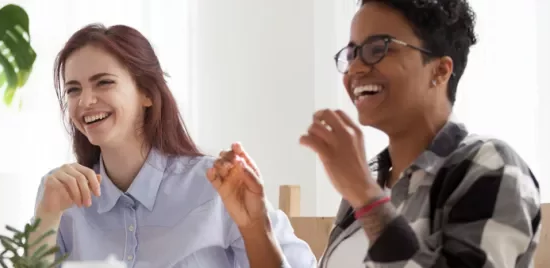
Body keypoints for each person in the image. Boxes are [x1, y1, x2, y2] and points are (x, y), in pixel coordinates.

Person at [216, 0, 542, 267]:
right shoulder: (371, 179)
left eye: (378, 48)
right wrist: (254, 225)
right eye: (352, 53)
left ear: (440, 70)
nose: (356, 68)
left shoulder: (489, 167)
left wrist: (366, 197)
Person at [30, 24, 317, 267]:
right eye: (73, 89)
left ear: (147, 94)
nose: (85, 101)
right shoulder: (62, 199)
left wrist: (257, 226)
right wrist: (46, 216)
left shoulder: (217, 187)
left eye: (103, 83)